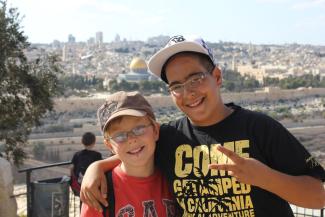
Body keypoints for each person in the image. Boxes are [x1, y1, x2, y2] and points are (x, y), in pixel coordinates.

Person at [80, 35, 325, 217]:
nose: (188, 92)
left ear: (217, 77)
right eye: (176, 86)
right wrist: (96, 167)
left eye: (196, 78)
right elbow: (134, 149)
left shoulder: (259, 128)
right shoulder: (169, 136)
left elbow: (319, 195)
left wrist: (265, 178)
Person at [80, 91, 177, 217]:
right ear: (110, 146)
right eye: (119, 135)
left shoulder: (176, 178)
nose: (131, 139)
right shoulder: (100, 193)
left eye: (139, 129)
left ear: (155, 130)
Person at [70, 132, 102, 196]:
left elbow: (71, 168)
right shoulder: (97, 155)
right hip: (92, 184)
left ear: (82, 142)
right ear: (94, 142)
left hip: (80, 184)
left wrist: (74, 179)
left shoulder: (77, 154)